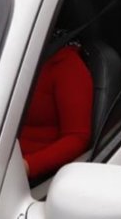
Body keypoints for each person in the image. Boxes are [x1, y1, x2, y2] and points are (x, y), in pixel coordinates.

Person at [19, 43, 93, 181]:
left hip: (32, 177)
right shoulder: (5, 57)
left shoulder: (67, 65)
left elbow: (77, 137)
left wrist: (27, 166)